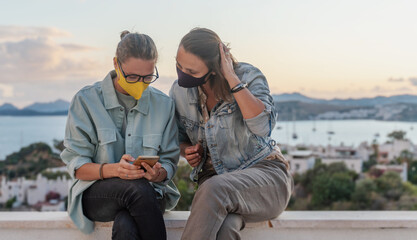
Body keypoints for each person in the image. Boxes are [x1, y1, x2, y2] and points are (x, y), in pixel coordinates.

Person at [169, 28, 294, 240]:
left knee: (213, 188)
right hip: (220, 190)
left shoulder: (248, 76)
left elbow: (262, 126)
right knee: (225, 229)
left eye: (191, 71)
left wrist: (233, 80)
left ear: (215, 67)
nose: (182, 74)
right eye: (179, 66)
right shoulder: (179, 91)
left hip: (265, 178)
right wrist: (187, 151)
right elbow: (177, 139)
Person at [61, 30, 180, 240]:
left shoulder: (164, 105)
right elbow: (78, 167)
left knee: (126, 225)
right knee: (136, 189)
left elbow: (170, 161)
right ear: (116, 64)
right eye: (133, 76)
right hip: (98, 194)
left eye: (148, 77)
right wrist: (115, 170)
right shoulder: (86, 101)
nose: (141, 83)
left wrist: (159, 174)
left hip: (150, 196)